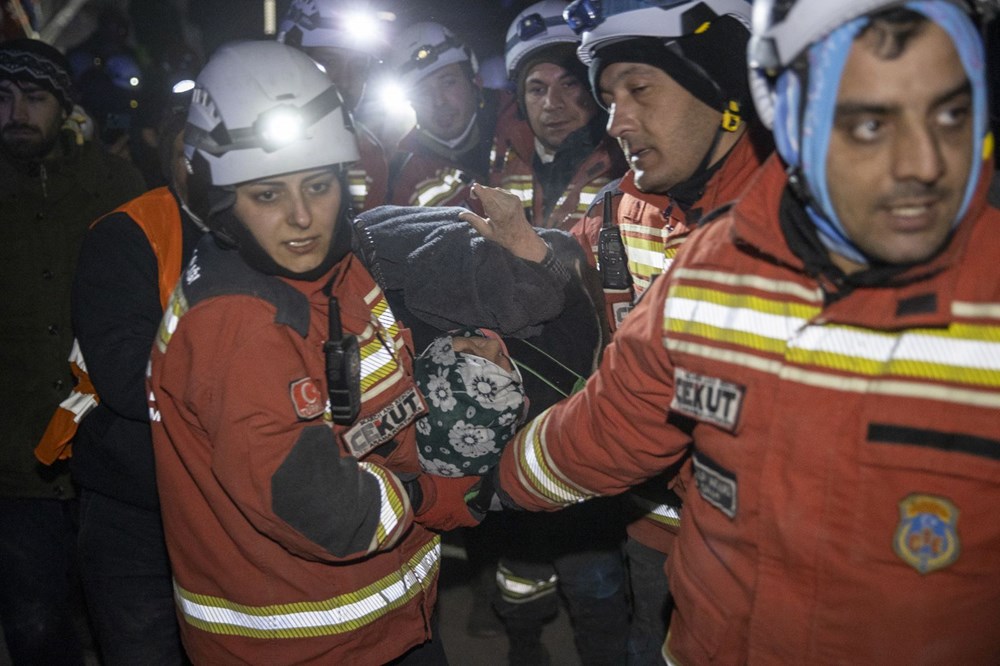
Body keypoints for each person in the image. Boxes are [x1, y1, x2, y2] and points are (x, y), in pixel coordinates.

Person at [475, 0, 1000, 662]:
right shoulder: (717, 267)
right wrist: (491, 482)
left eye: (951, 112)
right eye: (868, 122)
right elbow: (613, 424)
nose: (924, 160)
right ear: (794, 117)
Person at [146, 40, 482, 664]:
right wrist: (432, 492)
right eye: (267, 195)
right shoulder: (240, 324)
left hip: (383, 619)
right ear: (221, 202)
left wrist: (446, 365)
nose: (302, 218)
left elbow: (376, 393)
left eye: (318, 185)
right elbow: (325, 512)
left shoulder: (334, 267)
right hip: (304, 641)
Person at [559, 1, 772, 660]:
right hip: (657, 534)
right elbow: (569, 330)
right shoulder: (616, 215)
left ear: (727, 92)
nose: (616, 120)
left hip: (785, 561)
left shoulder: (815, 226)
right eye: (608, 97)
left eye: (640, 90)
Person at [0, 38, 145, 665]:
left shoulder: (112, 182)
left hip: (105, 453)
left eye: (34, 98)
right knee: (35, 627)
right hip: (13, 457)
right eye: (2, 98)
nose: (16, 113)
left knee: (127, 621)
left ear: (64, 106)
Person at [63, 108, 198, 665]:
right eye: (191, 147)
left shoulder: (279, 230)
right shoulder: (129, 232)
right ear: (168, 155)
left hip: (238, 499)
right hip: (136, 502)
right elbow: (127, 377)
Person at [490, 0, 627, 231]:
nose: (552, 104)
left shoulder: (625, 158)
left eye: (569, 84)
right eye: (537, 89)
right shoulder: (507, 155)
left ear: (593, 88)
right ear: (521, 101)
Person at [384, 21, 513, 209]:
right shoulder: (402, 176)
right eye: (422, 92)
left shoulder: (525, 123)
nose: (438, 101)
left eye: (448, 83)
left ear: (474, 80)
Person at [278, 0, 389, 212]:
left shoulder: (368, 155)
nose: (345, 81)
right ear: (290, 59)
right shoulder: (244, 138)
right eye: (328, 62)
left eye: (358, 67)